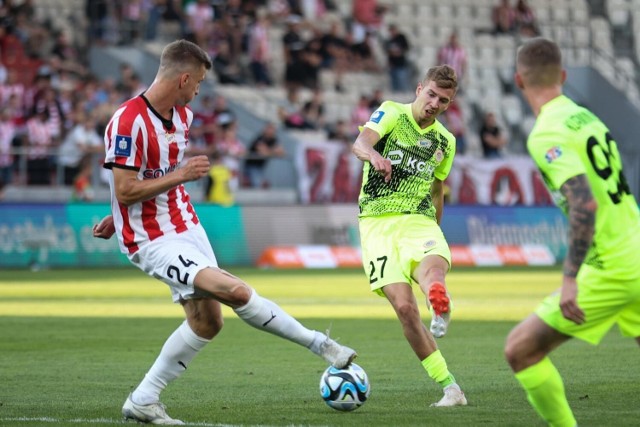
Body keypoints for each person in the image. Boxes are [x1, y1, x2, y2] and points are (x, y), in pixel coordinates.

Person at [92, 39, 356, 425]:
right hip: (151, 240)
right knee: (235, 291)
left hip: (186, 224)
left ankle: (144, 399)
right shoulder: (127, 121)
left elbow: (146, 177)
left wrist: (118, 214)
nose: (199, 91)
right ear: (183, 78)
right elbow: (126, 188)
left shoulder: (181, 117)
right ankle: (321, 344)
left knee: (208, 322)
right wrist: (158, 188)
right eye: (197, 83)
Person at [505, 37, 640, 427]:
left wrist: (569, 278)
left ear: (519, 81)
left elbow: (584, 203)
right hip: (636, 246)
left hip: (613, 266)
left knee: (520, 351)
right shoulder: (587, 117)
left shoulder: (546, 132)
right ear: (563, 76)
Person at [351, 64, 467, 407]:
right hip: (376, 223)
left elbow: (437, 190)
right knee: (404, 308)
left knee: (432, 270)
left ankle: (437, 295)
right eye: (431, 94)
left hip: (418, 220)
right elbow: (360, 143)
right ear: (419, 89)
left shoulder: (445, 141)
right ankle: (450, 387)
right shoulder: (391, 112)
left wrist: (437, 233)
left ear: (449, 104)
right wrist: (374, 156)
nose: (434, 103)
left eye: (443, 100)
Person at [244, 122, 284, 188]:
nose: (271, 130)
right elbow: (263, 152)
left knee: (260, 185)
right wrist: (274, 151)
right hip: (251, 166)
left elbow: (282, 152)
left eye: (273, 129)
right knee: (256, 185)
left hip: (261, 167)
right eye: (270, 128)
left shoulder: (274, 139)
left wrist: (270, 151)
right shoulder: (260, 138)